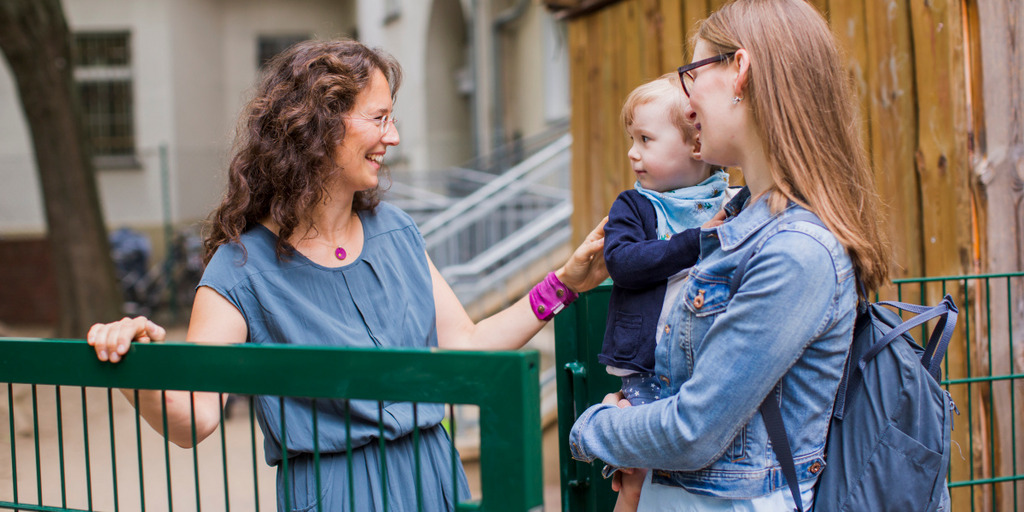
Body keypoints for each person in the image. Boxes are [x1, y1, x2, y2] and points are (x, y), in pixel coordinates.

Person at [86, 39, 608, 511]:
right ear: (319, 126)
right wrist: (133, 364)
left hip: (434, 476)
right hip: (336, 493)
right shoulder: (240, 268)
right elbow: (193, 420)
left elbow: (466, 344)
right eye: (379, 118)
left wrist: (564, 283)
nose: (395, 136)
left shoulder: (396, 230)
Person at [569, 0, 891, 510]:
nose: (686, 100)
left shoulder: (794, 253)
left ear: (739, 72)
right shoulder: (737, 222)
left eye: (691, 73)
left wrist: (596, 426)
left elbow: (693, 430)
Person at [598, 73, 729, 511]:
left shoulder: (731, 199)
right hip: (649, 361)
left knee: (699, 453)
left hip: (711, 358)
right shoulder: (634, 206)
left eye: (646, 139)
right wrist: (695, 242)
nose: (632, 153)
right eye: (631, 139)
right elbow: (624, 263)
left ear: (695, 144)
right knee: (643, 464)